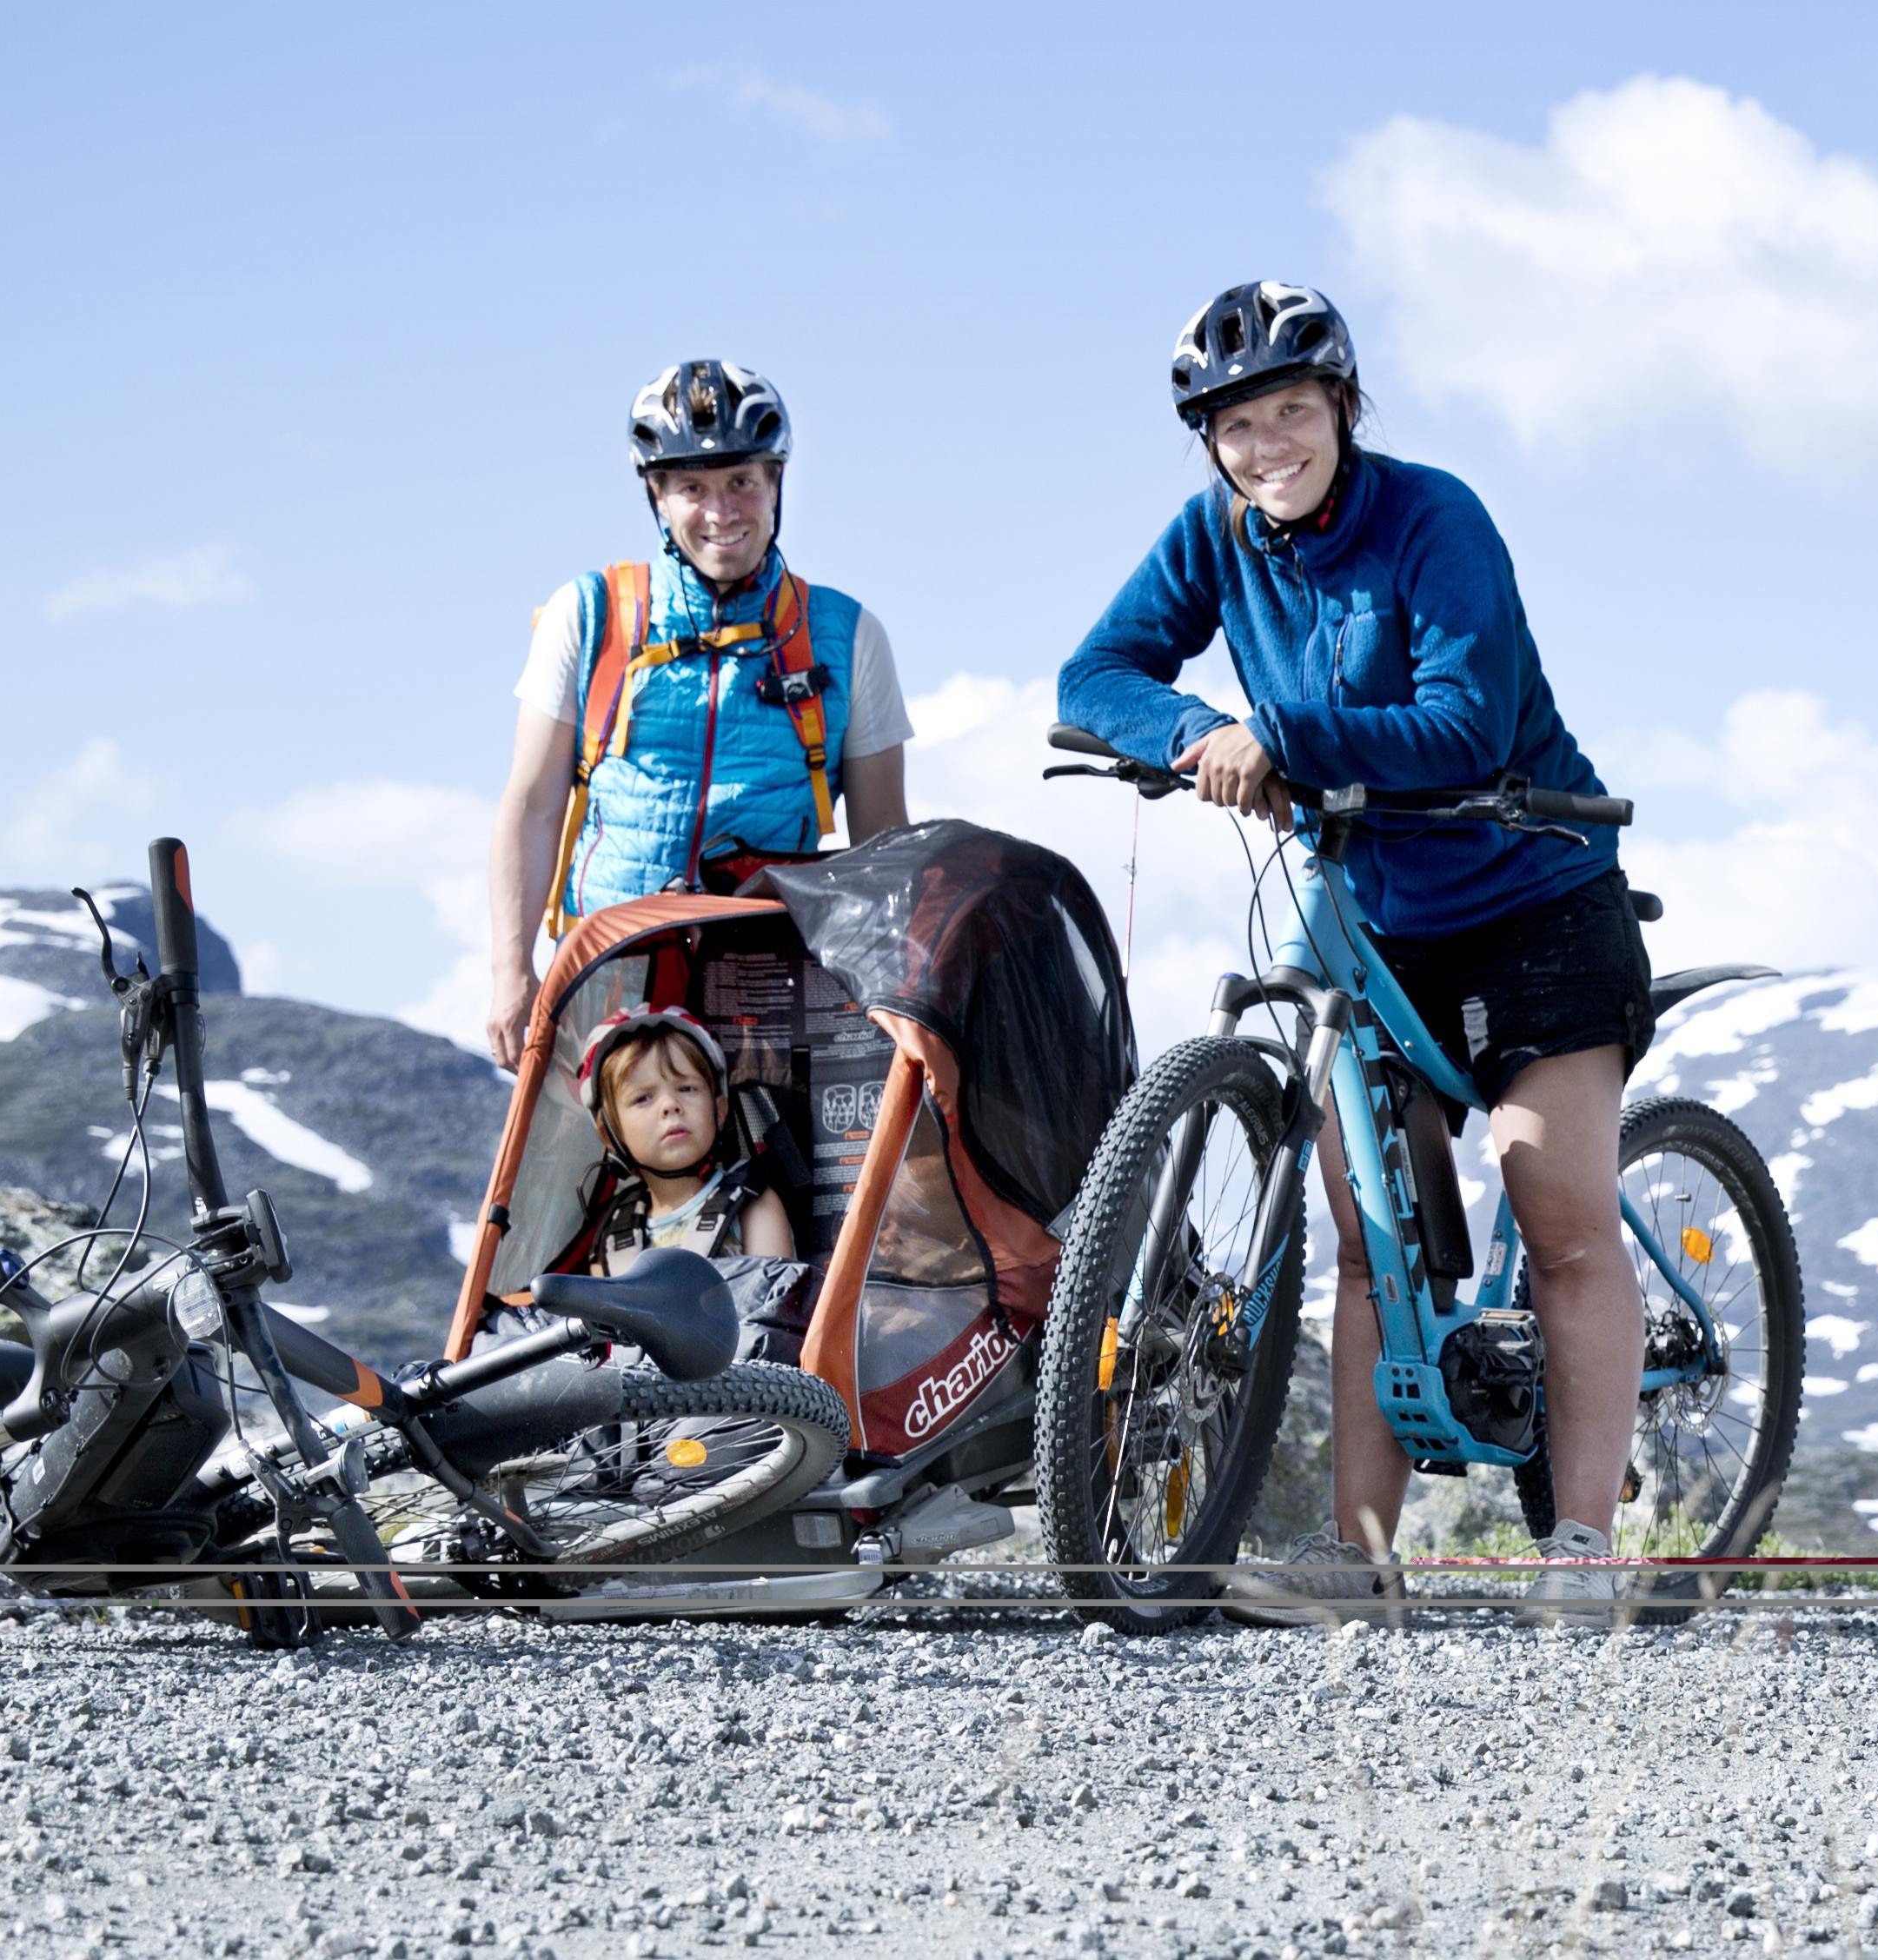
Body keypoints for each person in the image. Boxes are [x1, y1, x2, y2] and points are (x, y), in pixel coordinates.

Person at [1056, 281, 1656, 1625]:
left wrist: (1285, 733)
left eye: (1290, 409)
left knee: (1553, 1218)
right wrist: (1196, 731)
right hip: (1371, 918)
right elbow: (1090, 678)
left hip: (1533, 901)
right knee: (1367, 1227)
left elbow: (1463, 719)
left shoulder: (1434, 517)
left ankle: (1579, 1543)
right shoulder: (1218, 535)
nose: (1267, 444)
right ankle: (1360, 1553)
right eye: (1236, 425)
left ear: (1343, 406)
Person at [483, 359, 913, 1070]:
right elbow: (529, 804)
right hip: (608, 978)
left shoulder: (848, 635)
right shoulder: (588, 617)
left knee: (786, 1183)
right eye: (692, 487)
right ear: (657, 495)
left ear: (776, 481)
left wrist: (900, 998)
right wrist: (509, 973)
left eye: (742, 481)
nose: (722, 511)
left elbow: (884, 848)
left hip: (771, 986)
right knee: (572, 1183)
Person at [569, 1007, 796, 1271]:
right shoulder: (611, 1239)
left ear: (719, 1111)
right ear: (610, 1135)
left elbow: (774, 1303)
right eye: (643, 1098)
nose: (670, 1105)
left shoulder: (753, 1207)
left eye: (686, 1088)